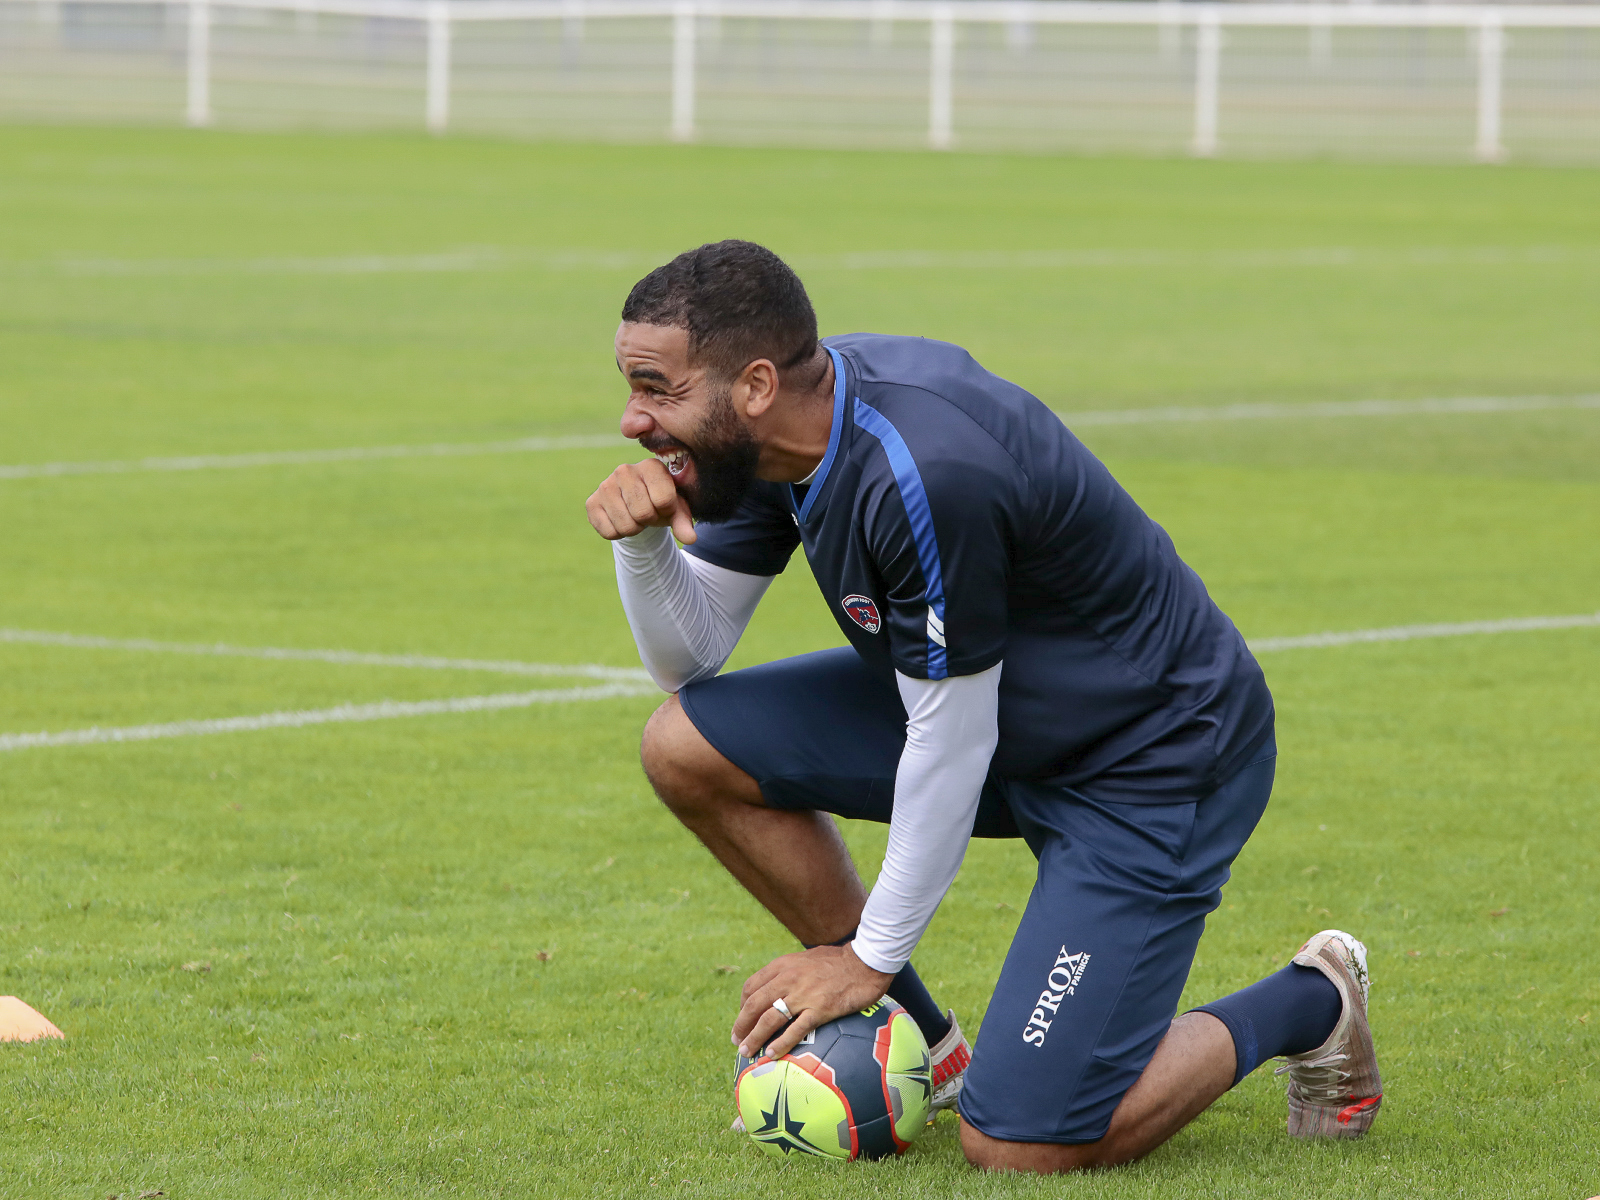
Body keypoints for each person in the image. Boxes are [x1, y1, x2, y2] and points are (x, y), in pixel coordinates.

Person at [583, 240, 1381, 1171]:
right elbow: (693, 657)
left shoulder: (925, 470)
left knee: (1021, 1143)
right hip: (997, 717)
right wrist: (641, 547)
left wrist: (867, 956)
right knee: (687, 745)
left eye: (655, 387)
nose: (634, 419)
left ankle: (1311, 1000)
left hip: (1151, 759)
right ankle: (929, 1048)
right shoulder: (774, 437)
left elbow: (948, 745)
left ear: (755, 382)